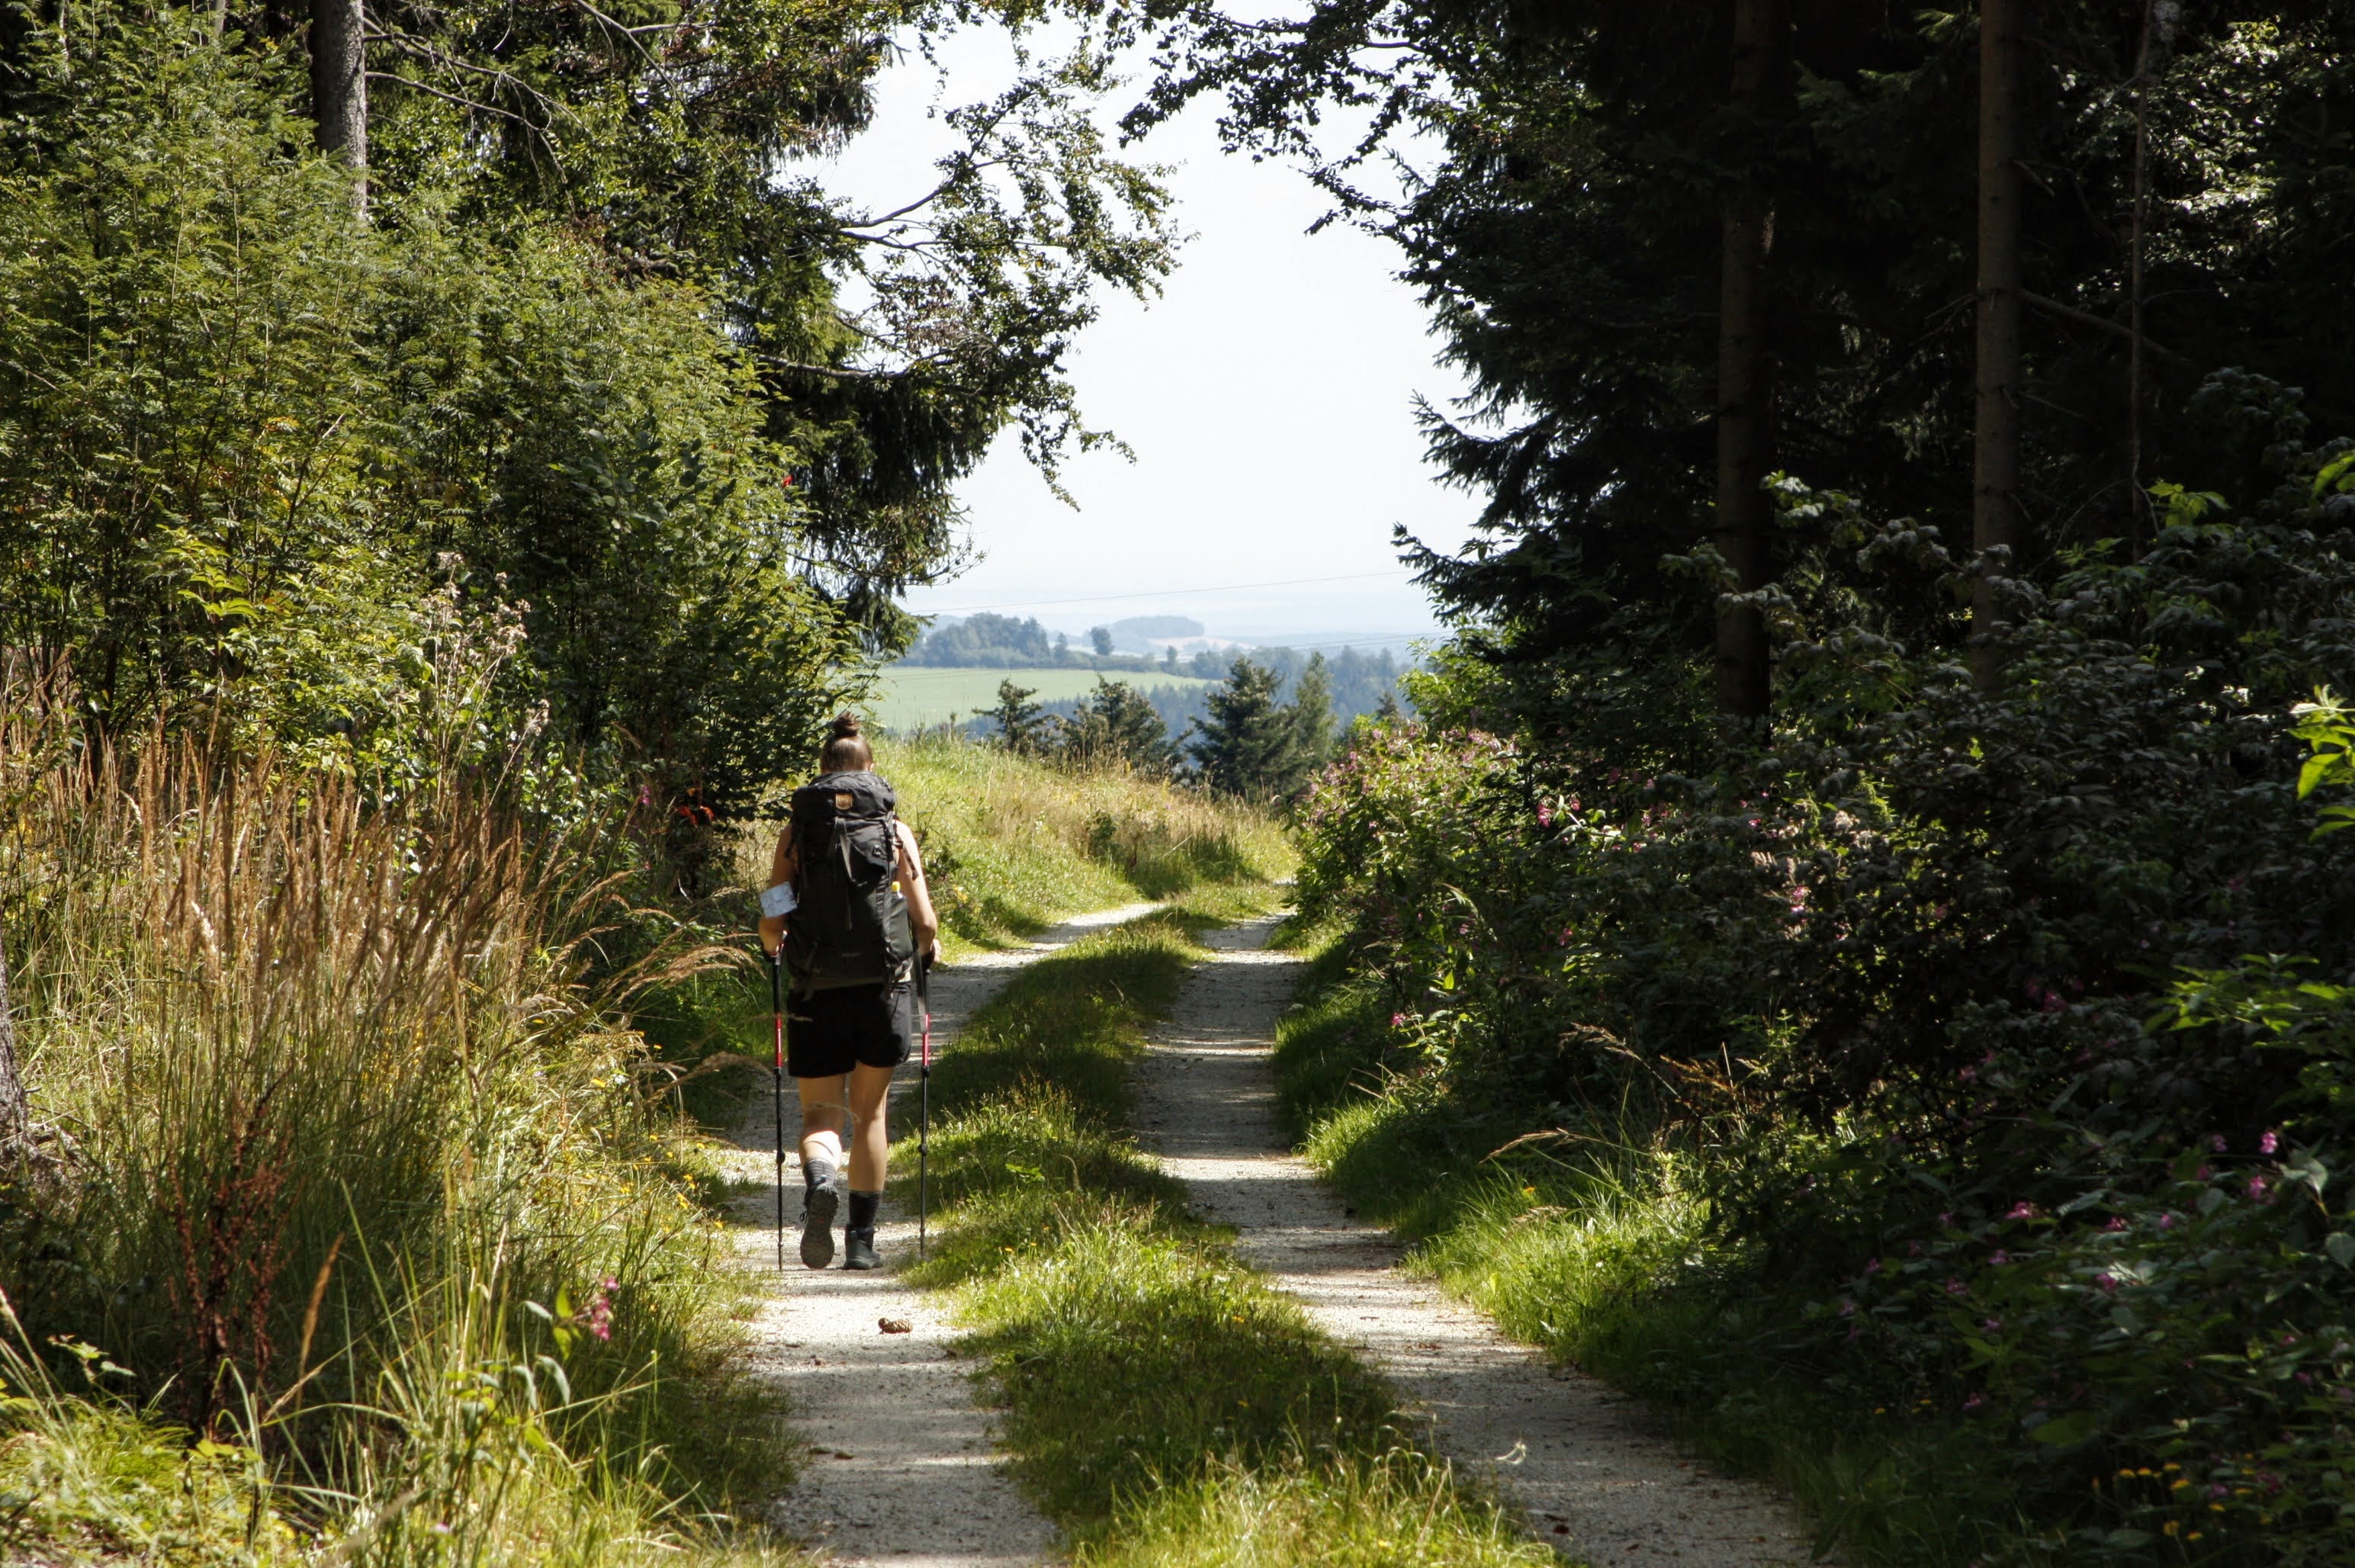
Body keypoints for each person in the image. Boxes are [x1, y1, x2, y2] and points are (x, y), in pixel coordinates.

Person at [758, 714, 940, 1270]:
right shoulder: (894, 830)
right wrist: (925, 952)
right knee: (871, 1116)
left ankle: (819, 1184)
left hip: (816, 991)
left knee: (819, 1117)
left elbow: (772, 914)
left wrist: (773, 949)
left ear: (821, 773)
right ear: (871, 770)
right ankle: (861, 1242)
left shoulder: (797, 833)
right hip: (881, 991)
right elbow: (925, 923)